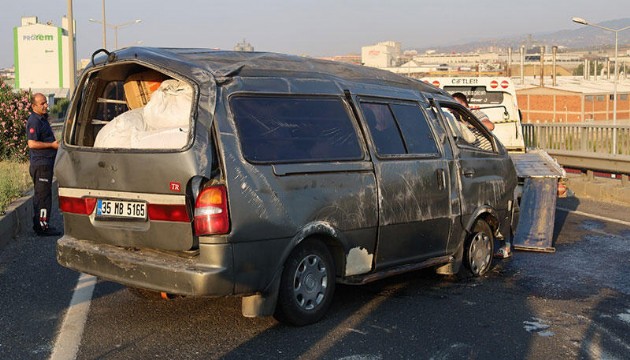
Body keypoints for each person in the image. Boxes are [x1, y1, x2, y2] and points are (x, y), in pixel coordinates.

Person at [26, 93, 61, 236]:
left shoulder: (42, 119)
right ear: (34, 106)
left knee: (43, 196)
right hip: (41, 165)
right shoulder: (34, 121)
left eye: (46, 102)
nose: (46, 105)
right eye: (42, 103)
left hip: (46, 164)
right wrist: (51, 145)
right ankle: (42, 227)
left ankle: (40, 224)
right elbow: (32, 143)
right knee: (43, 198)